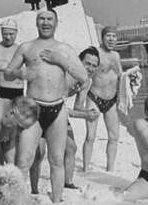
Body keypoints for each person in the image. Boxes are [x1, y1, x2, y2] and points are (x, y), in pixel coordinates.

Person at [5, 10, 88, 203]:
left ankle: (57, 201)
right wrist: (22, 73)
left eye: (49, 19)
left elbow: (83, 76)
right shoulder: (26, 47)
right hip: (32, 109)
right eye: (41, 19)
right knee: (24, 160)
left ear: (56, 23)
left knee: (57, 159)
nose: (45, 22)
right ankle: (17, 204)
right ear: (36, 22)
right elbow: (8, 72)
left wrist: (61, 60)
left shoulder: (65, 49)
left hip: (57, 109)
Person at [30, 46, 100, 193]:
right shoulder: (67, 76)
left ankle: (67, 183)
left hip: (58, 112)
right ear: (78, 62)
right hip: (41, 110)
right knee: (39, 152)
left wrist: (89, 112)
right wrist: (85, 115)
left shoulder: (86, 82)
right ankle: (34, 190)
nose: (91, 68)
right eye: (87, 64)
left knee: (71, 148)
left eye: (94, 65)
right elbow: (56, 106)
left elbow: (78, 107)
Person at [83, 26, 123, 172]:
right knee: (91, 136)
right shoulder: (96, 53)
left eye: (114, 36)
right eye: (108, 36)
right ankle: (86, 168)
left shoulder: (116, 56)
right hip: (94, 97)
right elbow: (84, 72)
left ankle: (110, 168)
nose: (112, 39)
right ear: (102, 37)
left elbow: (121, 75)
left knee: (114, 136)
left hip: (111, 100)